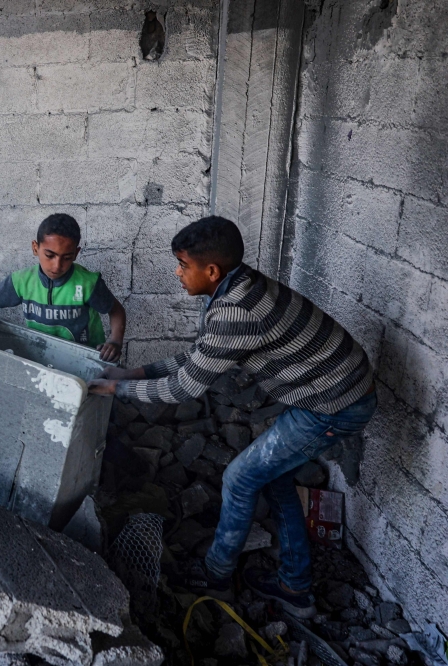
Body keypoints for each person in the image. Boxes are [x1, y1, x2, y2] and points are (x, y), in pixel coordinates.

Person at [88, 216, 376, 619]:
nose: (177, 272)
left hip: (334, 403)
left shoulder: (237, 310)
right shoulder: (236, 287)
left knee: (239, 477)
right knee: (271, 478)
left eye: (183, 265)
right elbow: (201, 354)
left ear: (211, 271)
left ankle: (216, 574)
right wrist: (137, 372)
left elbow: (184, 389)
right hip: (327, 388)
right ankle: (296, 587)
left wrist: (117, 388)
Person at [0, 213, 126, 362]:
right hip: (42, 356)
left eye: (67, 258)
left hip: (84, 359)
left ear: (75, 254)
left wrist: (115, 341)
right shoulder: (22, 281)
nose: (57, 265)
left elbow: (116, 311)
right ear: (35, 248)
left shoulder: (87, 283)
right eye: (49, 255)